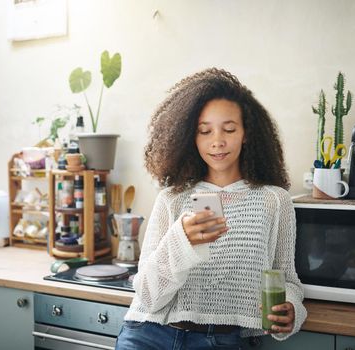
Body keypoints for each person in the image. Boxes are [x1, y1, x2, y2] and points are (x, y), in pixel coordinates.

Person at [116, 68, 306, 350]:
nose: (217, 140)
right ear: (190, 138)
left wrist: (292, 309)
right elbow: (146, 295)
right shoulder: (172, 199)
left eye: (229, 129)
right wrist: (182, 239)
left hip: (220, 341)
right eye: (204, 131)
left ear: (247, 134)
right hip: (150, 334)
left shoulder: (274, 201)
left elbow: (287, 279)